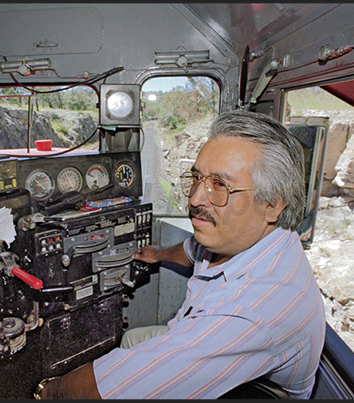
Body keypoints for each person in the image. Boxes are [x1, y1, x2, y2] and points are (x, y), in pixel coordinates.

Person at [34, 109, 326, 399]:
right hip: (198, 333)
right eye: (197, 179)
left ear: (273, 205)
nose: (196, 198)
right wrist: (158, 254)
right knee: (132, 339)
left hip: (252, 391)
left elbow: (115, 389)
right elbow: (190, 251)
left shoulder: (252, 312)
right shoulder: (241, 239)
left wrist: (46, 392)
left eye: (220, 185)